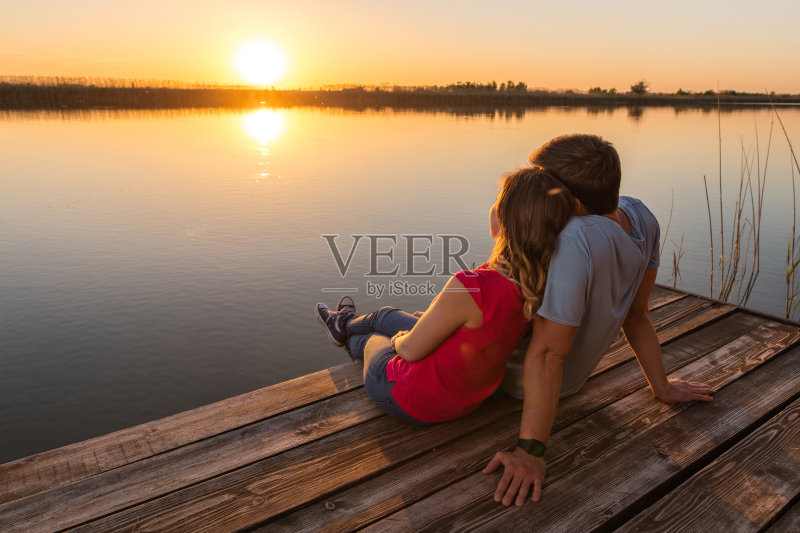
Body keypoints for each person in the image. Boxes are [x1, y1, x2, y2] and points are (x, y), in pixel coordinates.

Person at [482, 134, 716, 506]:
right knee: (409, 321)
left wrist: (530, 452)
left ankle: (357, 325)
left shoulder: (573, 239)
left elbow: (547, 355)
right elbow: (637, 314)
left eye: (543, 184)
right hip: (571, 382)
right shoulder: (640, 216)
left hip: (514, 379)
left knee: (395, 334)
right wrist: (662, 385)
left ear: (572, 204)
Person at [315, 167, 574, 424]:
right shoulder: (536, 282)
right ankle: (343, 322)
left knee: (372, 337)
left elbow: (410, 351)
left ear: (504, 219)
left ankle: (346, 334)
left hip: (408, 397)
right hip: (467, 399)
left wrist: (398, 340)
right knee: (384, 314)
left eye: (497, 201)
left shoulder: (472, 286)